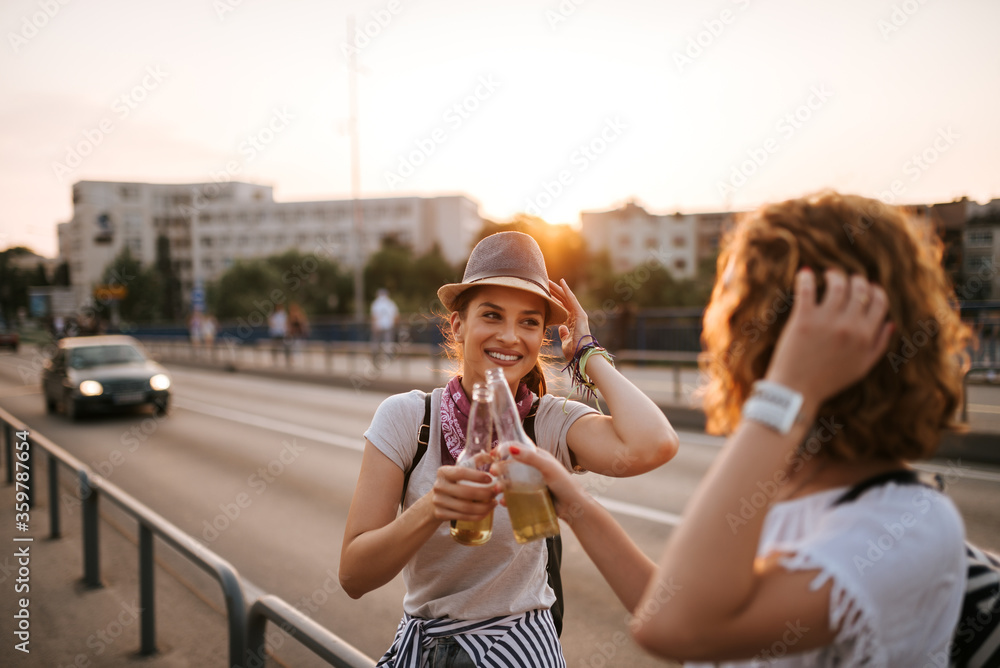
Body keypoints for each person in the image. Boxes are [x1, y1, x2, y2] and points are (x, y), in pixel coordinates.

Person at [507, 191, 972, 666]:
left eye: (738, 304)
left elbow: (676, 625)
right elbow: (675, 602)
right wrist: (574, 504)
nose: (722, 330)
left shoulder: (904, 525)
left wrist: (786, 393)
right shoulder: (790, 486)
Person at [340, 231, 679, 667]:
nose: (510, 336)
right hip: (422, 645)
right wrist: (433, 508)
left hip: (519, 647)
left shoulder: (549, 421)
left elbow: (655, 445)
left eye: (529, 322)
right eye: (492, 315)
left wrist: (587, 350)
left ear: (542, 337)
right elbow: (352, 575)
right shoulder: (409, 418)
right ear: (458, 325)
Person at [370, 287, 399, 361]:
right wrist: (394, 325)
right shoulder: (391, 303)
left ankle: (375, 356)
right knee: (388, 342)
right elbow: (396, 315)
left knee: (376, 342)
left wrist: (374, 325)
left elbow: (374, 316)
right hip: (388, 326)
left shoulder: (376, 303)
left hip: (378, 325)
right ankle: (388, 357)